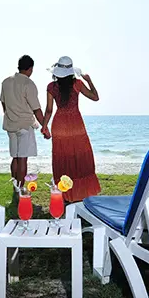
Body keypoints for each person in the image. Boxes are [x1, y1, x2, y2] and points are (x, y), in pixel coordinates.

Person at [41, 56, 100, 203]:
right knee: (80, 158)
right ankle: (82, 194)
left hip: (59, 125)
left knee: (63, 158)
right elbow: (95, 97)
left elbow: (49, 110)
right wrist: (89, 81)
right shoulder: (78, 84)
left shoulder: (51, 87)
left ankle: (65, 193)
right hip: (76, 124)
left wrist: (44, 126)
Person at [0, 55, 48, 189]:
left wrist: (9, 114)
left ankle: (15, 186)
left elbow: (3, 103)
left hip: (10, 124)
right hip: (25, 125)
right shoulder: (28, 83)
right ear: (30, 68)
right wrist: (45, 127)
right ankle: (21, 188)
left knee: (15, 157)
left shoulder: (6, 82)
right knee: (22, 159)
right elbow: (36, 109)